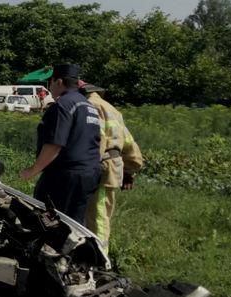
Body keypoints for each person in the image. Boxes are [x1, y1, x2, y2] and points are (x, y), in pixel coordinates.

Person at [19, 63, 101, 224]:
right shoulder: (87, 105)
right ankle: (72, 249)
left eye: (50, 82)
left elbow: (55, 144)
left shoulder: (63, 105)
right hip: (90, 174)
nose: (49, 88)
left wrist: (33, 170)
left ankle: (47, 249)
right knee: (75, 224)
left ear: (59, 82)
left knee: (46, 221)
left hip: (65, 176)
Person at [79, 81, 144, 254]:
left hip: (99, 170)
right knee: (101, 216)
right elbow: (129, 144)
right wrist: (130, 170)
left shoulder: (89, 106)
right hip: (112, 169)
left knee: (97, 219)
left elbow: (95, 141)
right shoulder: (113, 110)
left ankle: (99, 260)